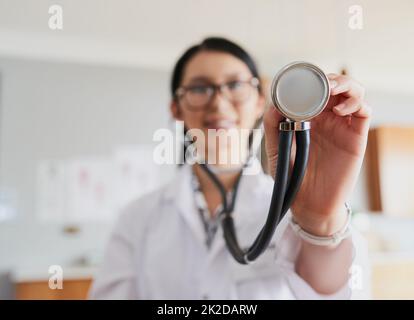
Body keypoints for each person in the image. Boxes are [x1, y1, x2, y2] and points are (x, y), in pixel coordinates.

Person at [89, 37, 371, 299]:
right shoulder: (137, 218)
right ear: (176, 109)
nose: (219, 102)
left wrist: (319, 219)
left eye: (235, 85)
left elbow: (337, 294)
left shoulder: (291, 206)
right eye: (200, 88)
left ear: (261, 101)